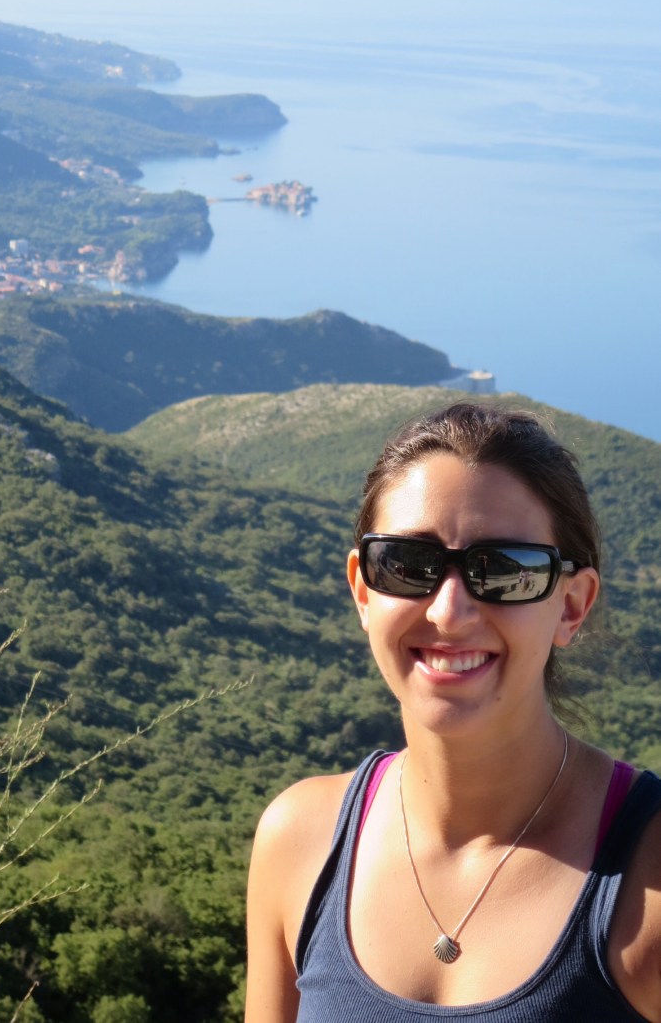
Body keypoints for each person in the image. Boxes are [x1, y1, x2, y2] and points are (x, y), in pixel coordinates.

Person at [245, 402, 661, 1022]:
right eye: (408, 566)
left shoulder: (645, 876)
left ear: (572, 606)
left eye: (505, 572)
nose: (448, 611)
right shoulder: (299, 842)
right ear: (363, 590)